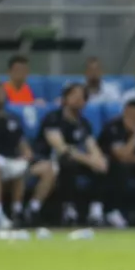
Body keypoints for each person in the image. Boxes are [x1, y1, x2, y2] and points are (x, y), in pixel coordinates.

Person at [0, 75, 56, 228]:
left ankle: (26, 211)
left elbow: (22, 142)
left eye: (1, 91)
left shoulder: (13, 117)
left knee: (45, 167)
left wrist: (27, 154)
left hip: (12, 162)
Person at [33, 83, 109, 226]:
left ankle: (96, 211)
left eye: (82, 96)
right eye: (74, 95)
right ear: (65, 98)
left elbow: (91, 145)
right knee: (68, 162)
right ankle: (68, 209)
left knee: (103, 163)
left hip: (79, 160)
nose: (78, 99)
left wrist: (99, 159)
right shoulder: (54, 118)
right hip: (50, 160)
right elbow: (61, 148)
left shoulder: (84, 123)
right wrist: (89, 160)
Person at [98, 99, 135, 228]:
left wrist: (130, 158)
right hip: (109, 166)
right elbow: (121, 155)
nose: (134, 118)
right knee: (121, 168)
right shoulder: (113, 127)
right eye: (131, 115)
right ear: (124, 113)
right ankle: (113, 211)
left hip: (132, 165)